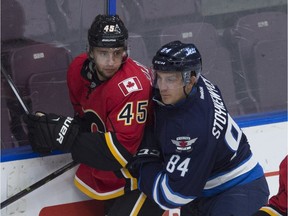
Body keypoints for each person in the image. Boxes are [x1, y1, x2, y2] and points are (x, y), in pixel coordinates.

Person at [24, 14, 164, 216]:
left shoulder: (132, 87)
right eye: (103, 53)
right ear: (90, 52)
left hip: (147, 174)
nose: (111, 61)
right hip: (117, 175)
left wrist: (67, 136)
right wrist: (55, 129)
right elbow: (87, 122)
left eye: (117, 53)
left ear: (126, 51)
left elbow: (120, 153)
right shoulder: (76, 70)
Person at [127, 40, 270, 215]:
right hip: (202, 188)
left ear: (192, 79)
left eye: (171, 79)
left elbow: (172, 196)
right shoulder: (192, 85)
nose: (162, 87)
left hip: (239, 190)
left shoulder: (192, 129)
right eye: (160, 77)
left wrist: (144, 163)